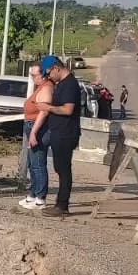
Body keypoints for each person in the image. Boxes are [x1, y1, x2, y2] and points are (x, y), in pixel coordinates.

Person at [38, 55, 82, 216]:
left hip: (66, 133)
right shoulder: (63, 84)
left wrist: (47, 107)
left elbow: (67, 109)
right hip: (59, 132)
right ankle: (60, 203)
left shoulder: (70, 85)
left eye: (49, 74)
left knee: (63, 169)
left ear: (56, 68)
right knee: (60, 167)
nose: (49, 77)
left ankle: (62, 205)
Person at [20, 64, 52, 209]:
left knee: (38, 163)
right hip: (31, 125)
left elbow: (43, 112)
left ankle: (40, 197)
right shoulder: (39, 87)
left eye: (34, 75)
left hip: (38, 128)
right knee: (32, 163)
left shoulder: (46, 88)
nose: (32, 79)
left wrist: (33, 133)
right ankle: (32, 195)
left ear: (43, 74)